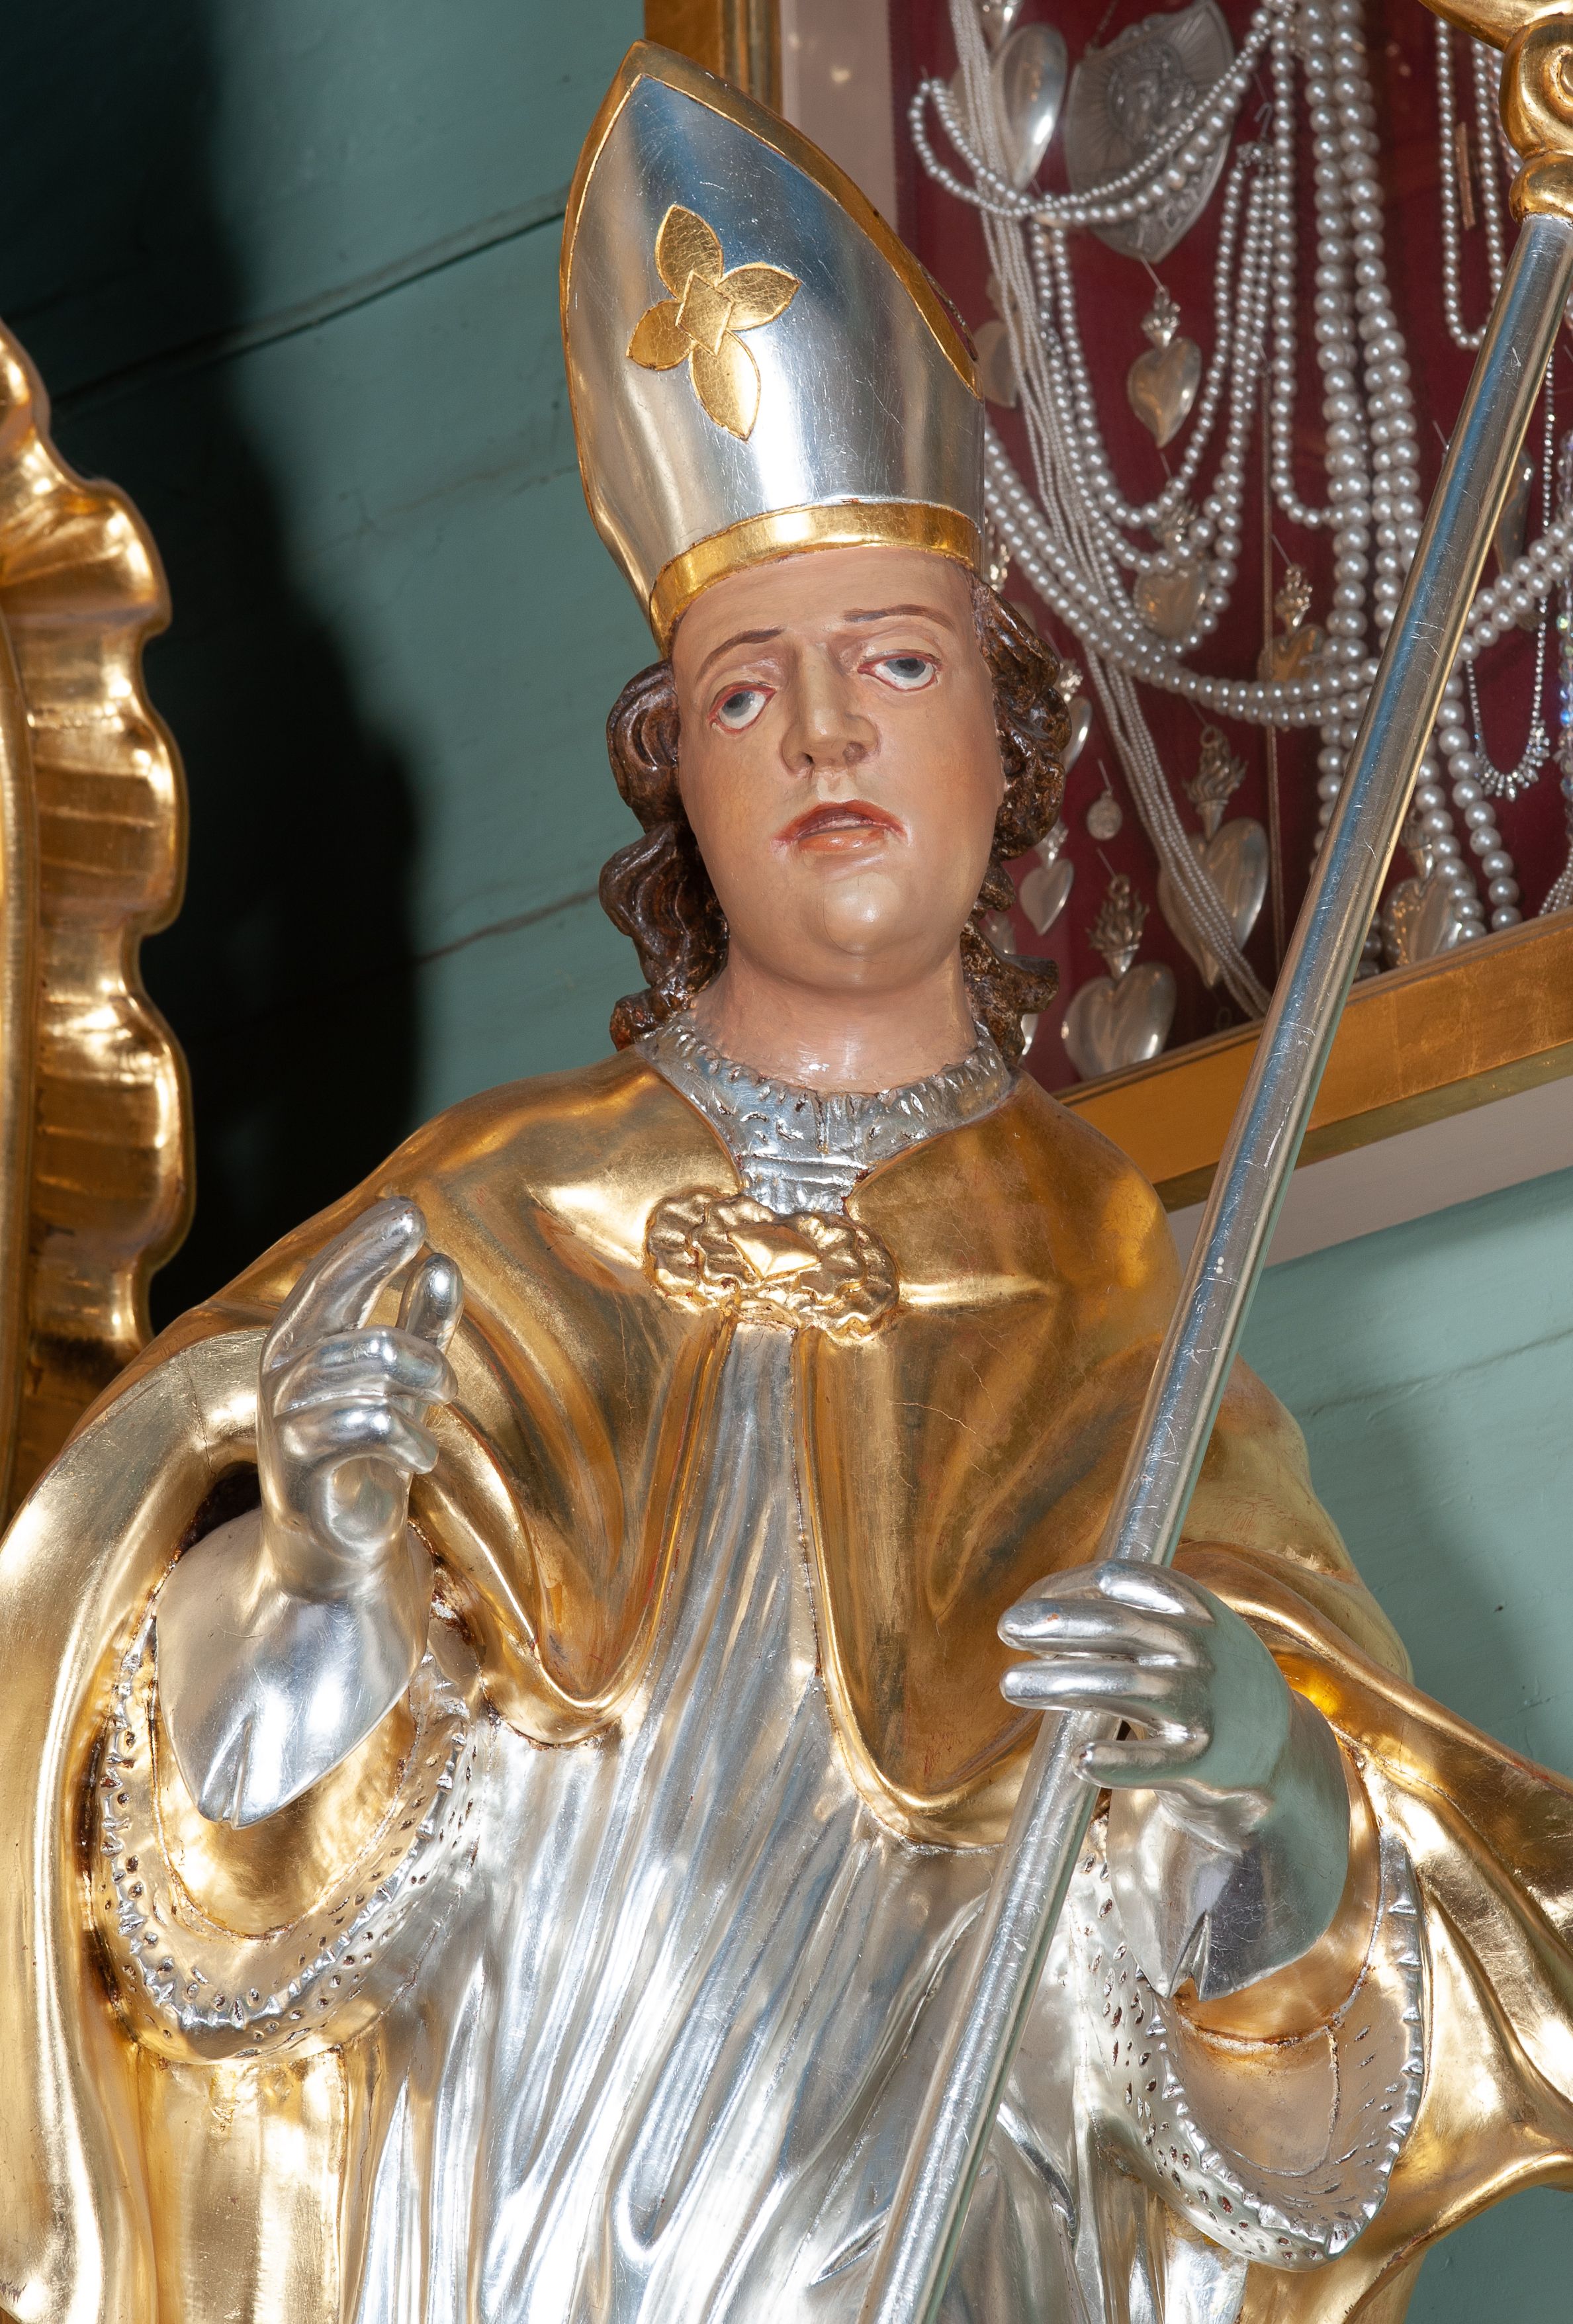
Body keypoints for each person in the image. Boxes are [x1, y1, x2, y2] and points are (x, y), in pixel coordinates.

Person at [2, 41, 1570, 2324]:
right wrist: (323, 1572)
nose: (825, 730)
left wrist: (1238, 1758)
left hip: (942, 2247)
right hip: (492, 2234)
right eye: (746, 691)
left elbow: (1261, 2010)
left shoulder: (1105, 1281)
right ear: (679, 783)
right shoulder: (481, 1219)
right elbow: (181, 1875)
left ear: (1002, 737)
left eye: (893, 662)